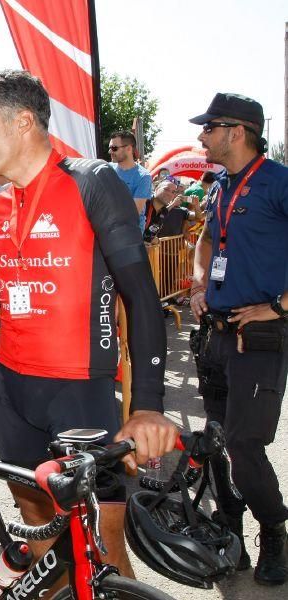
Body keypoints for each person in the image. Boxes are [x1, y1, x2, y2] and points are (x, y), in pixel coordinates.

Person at [0, 70, 177, 581]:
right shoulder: (0, 203)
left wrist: (148, 406)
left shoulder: (92, 182)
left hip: (79, 394)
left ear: (23, 122)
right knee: (37, 526)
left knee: (103, 552)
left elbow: (142, 295)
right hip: (14, 391)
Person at [188, 92, 288, 586]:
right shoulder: (220, 185)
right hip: (217, 333)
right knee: (217, 437)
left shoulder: (279, 182)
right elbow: (206, 240)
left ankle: (273, 530)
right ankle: (229, 527)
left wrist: (280, 305)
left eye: (210, 127)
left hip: (261, 335)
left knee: (245, 445)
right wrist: (199, 280)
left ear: (238, 131)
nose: (202, 135)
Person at [108, 130, 153, 230]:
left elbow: (133, 212)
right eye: (110, 148)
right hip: (109, 231)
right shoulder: (107, 168)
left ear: (128, 148)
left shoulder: (144, 177)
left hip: (130, 235)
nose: (110, 151)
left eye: (114, 148)